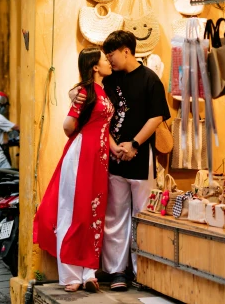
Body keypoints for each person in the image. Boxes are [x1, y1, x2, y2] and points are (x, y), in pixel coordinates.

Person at [69, 31, 170, 291]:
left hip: (140, 158)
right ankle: (116, 272)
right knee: (114, 215)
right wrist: (116, 148)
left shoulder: (150, 79)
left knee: (142, 214)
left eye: (111, 54)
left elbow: (157, 116)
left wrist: (134, 143)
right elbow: (87, 98)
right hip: (111, 157)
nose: (109, 60)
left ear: (126, 50)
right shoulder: (109, 81)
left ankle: (143, 270)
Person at [35, 48, 115, 292]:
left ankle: (89, 272)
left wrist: (114, 148)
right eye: (104, 59)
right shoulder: (84, 92)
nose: (108, 62)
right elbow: (68, 126)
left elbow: (103, 125)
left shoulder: (101, 91)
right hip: (81, 155)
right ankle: (70, 275)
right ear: (94, 66)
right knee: (72, 212)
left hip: (99, 159)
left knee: (94, 214)